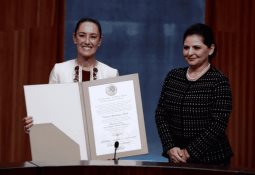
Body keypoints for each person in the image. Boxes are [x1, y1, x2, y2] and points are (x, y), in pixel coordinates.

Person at [155, 23, 233, 165]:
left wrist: (189, 152)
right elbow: (161, 115)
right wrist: (170, 147)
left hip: (212, 160)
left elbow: (218, 124)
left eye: (196, 47)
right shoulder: (173, 76)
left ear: (211, 49)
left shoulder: (219, 81)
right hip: (175, 157)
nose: (190, 53)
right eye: (186, 47)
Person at [23, 17, 119, 132]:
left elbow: (116, 118)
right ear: (74, 38)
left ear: (99, 41)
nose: (87, 41)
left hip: (100, 141)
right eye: (82, 35)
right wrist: (34, 124)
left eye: (93, 37)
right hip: (66, 140)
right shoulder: (59, 70)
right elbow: (49, 109)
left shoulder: (111, 74)